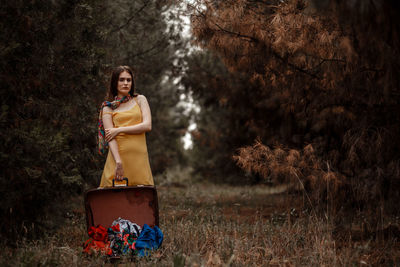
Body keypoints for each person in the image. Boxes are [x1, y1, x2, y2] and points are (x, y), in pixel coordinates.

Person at [97, 65, 154, 187]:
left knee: (142, 198)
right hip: (118, 159)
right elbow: (110, 137)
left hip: (139, 158)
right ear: (114, 82)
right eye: (121, 80)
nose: (126, 83)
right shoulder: (108, 107)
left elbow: (147, 125)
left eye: (129, 80)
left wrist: (119, 130)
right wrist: (118, 162)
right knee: (113, 199)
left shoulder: (140, 99)